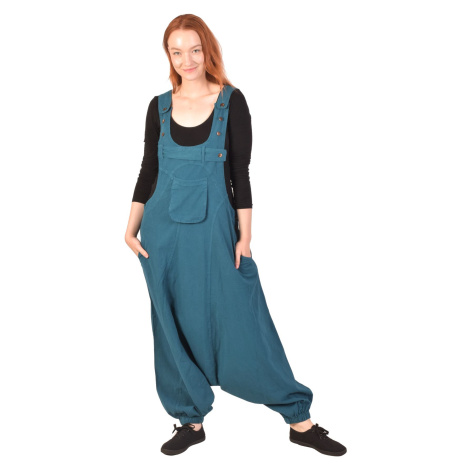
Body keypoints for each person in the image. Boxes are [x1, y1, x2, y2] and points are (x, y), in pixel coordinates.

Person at [124, 14, 347, 457]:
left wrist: (244, 237)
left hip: (217, 232)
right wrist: (130, 228)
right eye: (176, 51)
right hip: (163, 234)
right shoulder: (158, 106)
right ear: (168, 55)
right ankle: (190, 420)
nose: (187, 60)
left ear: (207, 49)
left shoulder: (231, 101)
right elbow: (149, 170)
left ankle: (298, 420)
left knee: (245, 322)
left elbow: (239, 173)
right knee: (172, 323)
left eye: (194, 49)